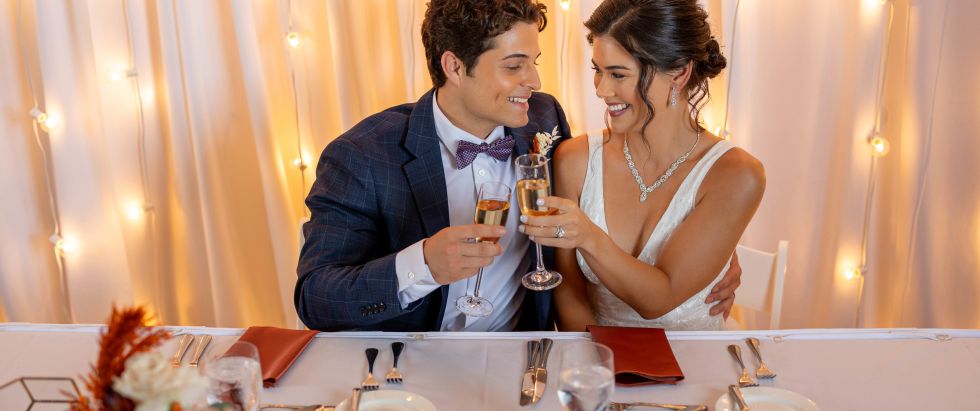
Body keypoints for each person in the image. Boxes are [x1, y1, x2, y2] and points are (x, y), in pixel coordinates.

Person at [295, 0, 739, 332]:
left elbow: (617, 192)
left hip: (525, 355)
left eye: (535, 63)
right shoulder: (364, 155)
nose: (535, 81)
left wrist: (712, 254)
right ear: (454, 65)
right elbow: (315, 298)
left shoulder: (544, 119)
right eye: (514, 66)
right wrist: (424, 264)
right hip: (411, 364)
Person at [520, 0, 765, 331]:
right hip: (598, 361)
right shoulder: (575, 159)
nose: (602, 90)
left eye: (618, 74)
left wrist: (588, 236)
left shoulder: (736, 175)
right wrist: (600, 367)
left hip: (696, 364)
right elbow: (568, 290)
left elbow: (659, 300)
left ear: (679, 73)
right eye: (598, 70)